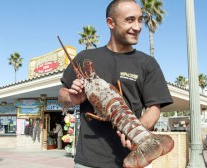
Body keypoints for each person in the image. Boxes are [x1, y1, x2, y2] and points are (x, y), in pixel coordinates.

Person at [58, 0, 173, 167]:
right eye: (130, 20)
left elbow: (154, 108)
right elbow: (62, 94)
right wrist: (72, 97)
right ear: (110, 23)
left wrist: (136, 131)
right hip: (88, 161)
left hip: (132, 158)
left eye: (140, 20)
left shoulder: (147, 63)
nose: (138, 26)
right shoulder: (84, 57)